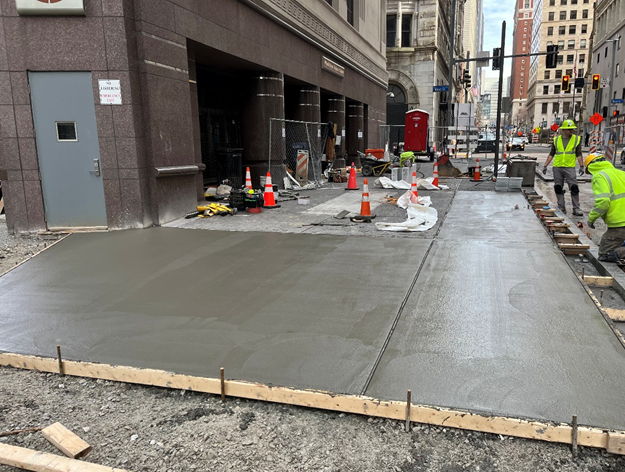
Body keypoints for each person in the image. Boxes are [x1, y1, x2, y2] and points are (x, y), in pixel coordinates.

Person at [585, 153, 625, 262]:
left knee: (605, 254)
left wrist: (591, 218)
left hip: (620, 223)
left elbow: (603, 202)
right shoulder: (621, 173)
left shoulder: (599, 176)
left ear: (590, 167)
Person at [541, 119, 584, 216]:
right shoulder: (556, 140)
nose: (571, 131)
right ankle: (561, 207)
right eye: (569, 129)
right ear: (564, 130)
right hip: (557, 167)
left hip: (569, 167)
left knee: (574, 188)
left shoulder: (576, 139)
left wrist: (581, 166)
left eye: (572, 129)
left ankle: (576, 208)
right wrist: (545, 165)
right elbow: (551, 154)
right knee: (558, 187)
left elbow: (579, 154)